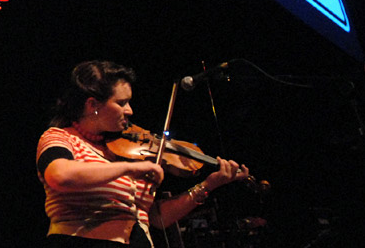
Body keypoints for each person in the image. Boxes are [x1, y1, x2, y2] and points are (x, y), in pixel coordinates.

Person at [36, 60, 250, 247]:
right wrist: (130, 168)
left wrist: (209, 185)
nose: (130, 111)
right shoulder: (60, 138)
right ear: (93, 105)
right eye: (121, 103)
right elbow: (60, 175)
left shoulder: (122, 149)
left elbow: (156, 218)